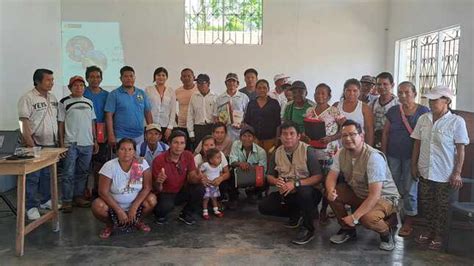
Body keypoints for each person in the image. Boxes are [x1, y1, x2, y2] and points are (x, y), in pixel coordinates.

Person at [325, 120, 400, 251]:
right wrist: (331, 190)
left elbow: (375, 195)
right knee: (332, 193)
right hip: (360, 193)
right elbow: (331, 176)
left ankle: (386, 233)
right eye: (344, 135)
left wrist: (355, 217)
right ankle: (347, 230)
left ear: (362, 136)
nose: (348, 139)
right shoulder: (340, 153)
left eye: (352, 134)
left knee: (366, 218)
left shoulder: (373, 158)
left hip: (384, 197)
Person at [411, 85, 469, 250]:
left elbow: (461, 149)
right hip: (425, 170)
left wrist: (457, 173)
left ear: (447, 101)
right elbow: (417, 143)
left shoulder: (456, 121)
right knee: (427, 204)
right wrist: (413, 165)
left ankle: (438, 235)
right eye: (430, 99)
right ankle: (428, 231)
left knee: (441, 206)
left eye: (435, 99)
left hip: (445, 173)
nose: (431, 102)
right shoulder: (424, 119)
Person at [258, 121, 323, 245]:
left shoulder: (307, 150)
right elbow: (269, 176)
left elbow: (318, 177)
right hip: (286, 192)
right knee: (264, 206)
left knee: (304, 193)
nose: (288, 137)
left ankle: (308, 228)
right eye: (284, 134)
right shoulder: (276, 152)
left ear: (298, 136)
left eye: (292, 134)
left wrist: (296, 184)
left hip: (309, 192)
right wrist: (276, 181)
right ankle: (297, 213)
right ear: (280, 137)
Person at [381, 81, 429, 237]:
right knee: (391, 188)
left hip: (412, 157)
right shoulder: (394, 111)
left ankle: (409, 220)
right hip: (393, 155)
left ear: (414, 93)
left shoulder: (423, 111)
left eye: (406, 92)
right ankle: (393, 216)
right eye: (400, 92)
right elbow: (386, 133)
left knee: (410, 189)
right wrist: (383, 154)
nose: (403, 95)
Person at [91, 138, 157, 239]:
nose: (126, 152)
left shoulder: (139, 164)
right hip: (114, 205)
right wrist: (119, 210)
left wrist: (134, 207)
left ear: (135, 151)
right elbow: (103, 192)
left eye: (130, 149)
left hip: (136, 204)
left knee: (152, 200)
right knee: (97, 205)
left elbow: (147, 187)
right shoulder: (110, 166)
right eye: (122, 149)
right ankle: (110, 225)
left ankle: (137, 221)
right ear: (117, 151)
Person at [18, 68, 59, 220]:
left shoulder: (53, 98)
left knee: (47, 175)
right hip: (34, 144)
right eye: (48, 80)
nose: (51, 83)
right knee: (33, 177)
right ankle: (30, 207)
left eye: (52, 80)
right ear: (37, 81)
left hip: (51, 144)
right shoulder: (28, 98)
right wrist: (30, 143)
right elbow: (23, 121)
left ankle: (45, 200)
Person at [58, 76, 98, 212]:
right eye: (75, 85)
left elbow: (92, 123)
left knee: (83, 173)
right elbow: (61, 124)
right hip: (71, 143)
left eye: (81, 85)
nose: (79, 88)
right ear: (70, 88)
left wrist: (95, 140)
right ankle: (67, 201)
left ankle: (78, 197)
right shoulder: (64, 102)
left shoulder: (89, 102)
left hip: (87, 143)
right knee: (68, 173)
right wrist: (62, 144)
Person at [304, 83, 343, 223]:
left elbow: (343, 130)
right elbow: (305, 128)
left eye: (323, 93)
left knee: (328, 183)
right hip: (312, 151)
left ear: (329, 96)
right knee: (313, 181)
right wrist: (306, 137)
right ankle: (313, 208)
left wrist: (331, 138)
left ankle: (324, 210)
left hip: (329, 152)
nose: (319, 96)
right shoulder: (309, 110)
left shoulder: (334, 111)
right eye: (317, 93)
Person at [152, 130, 205, 225]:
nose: (179, 146)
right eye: (175, 142)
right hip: (165, 193)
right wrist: (159, 182)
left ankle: (186, 214)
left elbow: (192, 178)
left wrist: (198, 178)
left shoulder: (188, 155)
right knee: (164, 209)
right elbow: (157, 188)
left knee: (200, 188)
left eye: (182, 143)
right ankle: (160, 214)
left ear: (185, 145)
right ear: (169, 143)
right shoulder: (159, 160)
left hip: (181, 190)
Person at [105, 66, 152, 147]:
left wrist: (151, 132)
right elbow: (108, 115)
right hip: (121, 136)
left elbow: (147, 113)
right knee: (122, 159)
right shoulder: (114, 94)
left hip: (139, 136)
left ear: (134, 78)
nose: (129, 78)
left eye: (131, 76)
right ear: (121, 78)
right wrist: (110, 134)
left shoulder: (141, 93)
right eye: (126, 76)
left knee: (137, 159)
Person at [84, 66, 109, 198]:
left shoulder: (106, 95)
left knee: (99, 164)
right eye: (92, 77)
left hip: (101, 133)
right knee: (85, 165)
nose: (95, 79)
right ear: (87, 78)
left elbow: (109, 114)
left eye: (98, 77)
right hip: (84, 133)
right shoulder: (82, 93)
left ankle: (97, 190)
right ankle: (84, 191)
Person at [229, 125, 267, 204]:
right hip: (239, 175)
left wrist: (250, 167)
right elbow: (232, 161)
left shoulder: (261, 152)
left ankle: (254, 192)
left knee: (266, 179)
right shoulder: (235, 144)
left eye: (249, 136)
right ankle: (233, 198)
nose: (246, 139)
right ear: (240, 137)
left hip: (254, 176)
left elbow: (263, 170)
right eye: (244, 136)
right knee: (231, 173)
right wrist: (240, 164)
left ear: (254, 138)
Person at [243, 79, 281, 153]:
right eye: (259, 88)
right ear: (255, 89)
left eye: (264, 88)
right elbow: (247, 122)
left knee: (269, 161)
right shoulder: (251, 104)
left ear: (268, 89)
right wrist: (251, 137)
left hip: (270, 139)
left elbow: (278, 123)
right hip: (255, 139)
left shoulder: (274, 103)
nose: (262, 90)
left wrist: (277, 138)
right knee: (256, 161)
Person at [334, 78, 374, 146]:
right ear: (344, 91)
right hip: (339, 146)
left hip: (358, 147)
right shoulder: (336, 106)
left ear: (359, 91)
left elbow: (369, 131)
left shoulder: (365, 108)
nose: (351, 93)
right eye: (348, 90)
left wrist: (368, 150)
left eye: (355, 91)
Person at [214, 73, 249, 141]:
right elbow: (215, 116)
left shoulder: (244, 97)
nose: (231, 83)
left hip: (239, 132)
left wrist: (243, 124)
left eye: (234, 81)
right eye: (229, 81)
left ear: (237, 84)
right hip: (224, 132)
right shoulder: (219, 98)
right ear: (225, 83)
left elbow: (248, 115)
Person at [145, 67, 176, 141]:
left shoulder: (171, 91)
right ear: (155, 76)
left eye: (163, 75)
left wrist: (170, 127)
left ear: (166, 77)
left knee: (164, 149)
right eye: (158, 75)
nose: (161, 77)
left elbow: (173, 110)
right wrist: (150, 125)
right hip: (151, 125)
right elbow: (146, 109)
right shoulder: (148, 89)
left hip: (165, 126)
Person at [187, 74, 216, 147]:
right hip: (198, 129)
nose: (200, 85)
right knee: (198, 152)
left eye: (202, 83)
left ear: (208, 84)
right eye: (198, 83)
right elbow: (190, 115)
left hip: (211, 128)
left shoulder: (215, 97)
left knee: (211, 151)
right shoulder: (194, 97)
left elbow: (217, 115)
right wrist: (191, 133)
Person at [372, 72, 399, 149]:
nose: (381, 87)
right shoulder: (373, 103)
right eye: (379, 84)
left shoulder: (398, 104)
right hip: (376, 142)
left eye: (385, 84)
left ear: (392, 85)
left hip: (392, 141)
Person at [175, 68, 198, 150]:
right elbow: (170, 107)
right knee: (183, 149)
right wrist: (176, 118)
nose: (187, 78)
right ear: (181, 78)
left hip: (195, 125)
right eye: (184, 76)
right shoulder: (177, 91)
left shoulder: (198, 90)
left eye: (189, 76)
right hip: (182, 125)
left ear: (194, 77)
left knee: (195, 149)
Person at [199, 148, 225, 219]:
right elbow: (199, 171)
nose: (220, 159)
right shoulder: (206, 165)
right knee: (206, 199)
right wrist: (204, 178)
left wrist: (219, 179)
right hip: (207, 185)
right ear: (211, 160)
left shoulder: (219, 166)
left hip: (214, 185)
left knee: (214, 198)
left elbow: (220, 173)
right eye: (218, 158)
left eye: (220, 158)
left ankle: (216, 210)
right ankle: (205, 211)